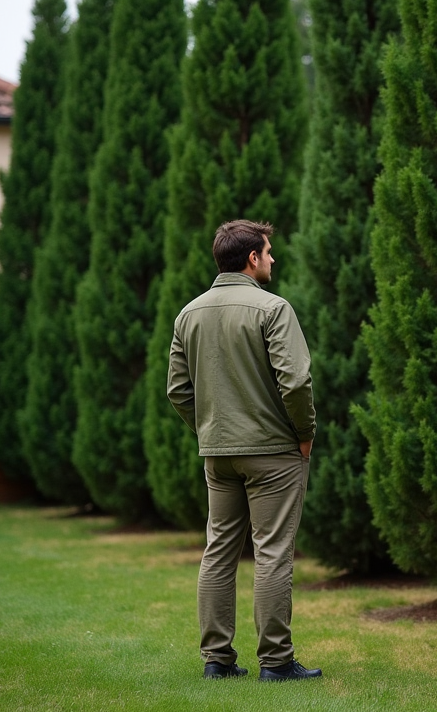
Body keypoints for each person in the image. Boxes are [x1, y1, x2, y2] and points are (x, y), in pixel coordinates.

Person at [166, 219, 322, 682]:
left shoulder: (188, 314)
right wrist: (305, 431)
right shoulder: (273, 309)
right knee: (273, 551)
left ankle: (217, 660)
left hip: (218, 453)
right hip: (274, 450)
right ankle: (275, 663)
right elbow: (295, 380)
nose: (273, 258)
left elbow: (177, 390)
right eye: (269, 251)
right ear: (252, 258)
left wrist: (210, 430)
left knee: (218, 549)